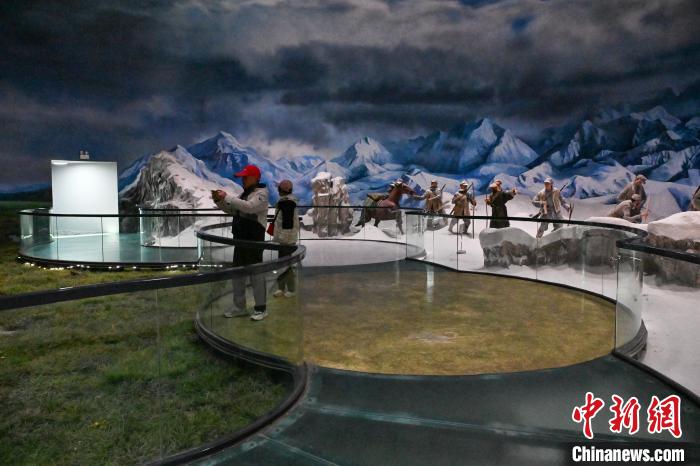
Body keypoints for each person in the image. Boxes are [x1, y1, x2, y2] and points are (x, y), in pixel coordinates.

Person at [212, 164, 270, 321]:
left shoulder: (261, 194)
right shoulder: (245, 194)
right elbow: (233, 210)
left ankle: (261, 308)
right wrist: (220, 201)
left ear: (255, 178)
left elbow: (249, 207)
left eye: (246, 177)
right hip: (241, 239)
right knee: (237, 274)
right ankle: (239, 307)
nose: (243, 180)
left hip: (254, 241)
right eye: (242, 177)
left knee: (256, 275)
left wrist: (227, 197)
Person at [272, 179, 300, 298]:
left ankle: (290, 289)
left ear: (281, 190)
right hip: (286, 238)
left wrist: (283, 238)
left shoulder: (287, 202)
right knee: (282, 263)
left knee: (286, 264)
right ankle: (281, 288)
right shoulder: (288, 201)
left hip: (286, 240)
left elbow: (287, 223)